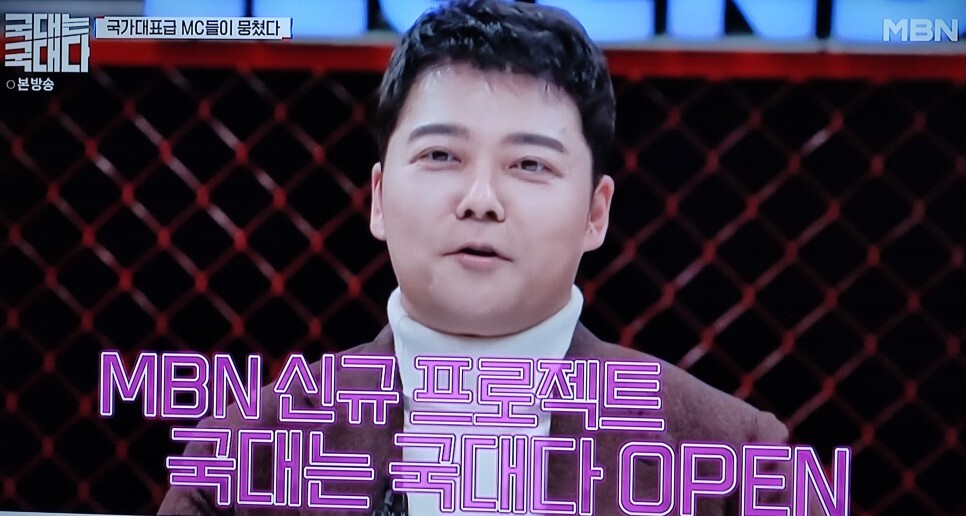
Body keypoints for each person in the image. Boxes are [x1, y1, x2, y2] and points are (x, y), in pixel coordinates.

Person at [159, 1, 801, 514]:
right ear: (378, 198)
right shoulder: (250, 450)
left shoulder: (738, 459)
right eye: (441, 155)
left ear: (596, 213)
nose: (481, 200)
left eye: (530, 164)